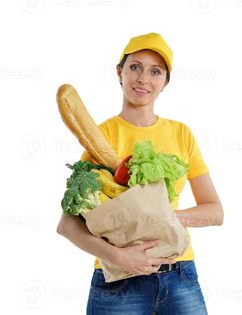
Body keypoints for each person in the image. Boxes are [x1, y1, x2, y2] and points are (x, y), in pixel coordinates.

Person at [57, 32, 224, 314]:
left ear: (165, 83)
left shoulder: (181, 133)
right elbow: (67, 225)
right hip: (119, 282)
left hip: (179, 273)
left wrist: (167, 218)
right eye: (135, 67)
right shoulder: (101, 137)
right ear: (119, 72)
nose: (143, 78)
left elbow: (215, 212)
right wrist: (119, 256)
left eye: (155, 71)